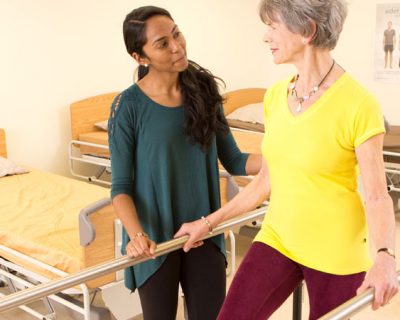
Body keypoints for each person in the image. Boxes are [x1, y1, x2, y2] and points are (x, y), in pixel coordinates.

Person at [175, 1, 399, 319]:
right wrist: (208, 223)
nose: (266, 37)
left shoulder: (359, 104)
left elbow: (377, 194)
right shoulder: (275, 96)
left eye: (273, 26)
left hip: (335, 249)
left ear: (306, 31)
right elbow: (265, 181)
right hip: (279, 236)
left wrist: (385, 257)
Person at [108, 5, 261, 320]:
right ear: (140, 57)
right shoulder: (127, 107)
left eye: (176, 33)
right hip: (154, 241)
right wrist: (136, 235)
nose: (177, 46)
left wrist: (287, 156)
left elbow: (234, 159)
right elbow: (120, 188)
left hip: (203, 233)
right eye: (162, 43)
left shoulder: (203, 91)